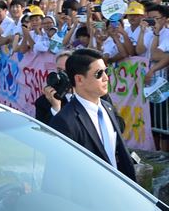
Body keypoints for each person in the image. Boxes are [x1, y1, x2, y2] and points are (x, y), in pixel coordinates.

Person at [50, 49, 136, 181]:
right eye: (99, 74)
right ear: (79, 79)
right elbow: (61, 174)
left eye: (106, 71)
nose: (106, 78)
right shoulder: (64, 121)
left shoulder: (107, 107)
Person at [35, 51, 73, 125]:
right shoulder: (43, 102)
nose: (62, 75)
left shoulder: (88, 96)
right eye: (59, 70)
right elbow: (43, 132)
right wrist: (55, 108)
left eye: (66, 71)